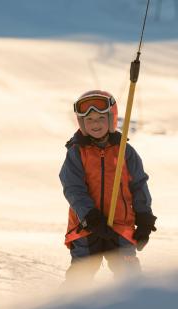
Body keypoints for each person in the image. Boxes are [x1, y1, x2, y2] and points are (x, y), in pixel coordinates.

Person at [59, 90, 157, 284]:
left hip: (120, 226)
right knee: (80, 277)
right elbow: (73, 188)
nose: (95, 124)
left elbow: (138, 185)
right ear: (82, 123)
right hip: (87, 227)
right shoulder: (77, 153)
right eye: (89, 120)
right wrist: (90, 216)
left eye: (100, 118)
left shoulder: (124, 152)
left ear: (112, 119)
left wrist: (144, 217)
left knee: (129, 277)